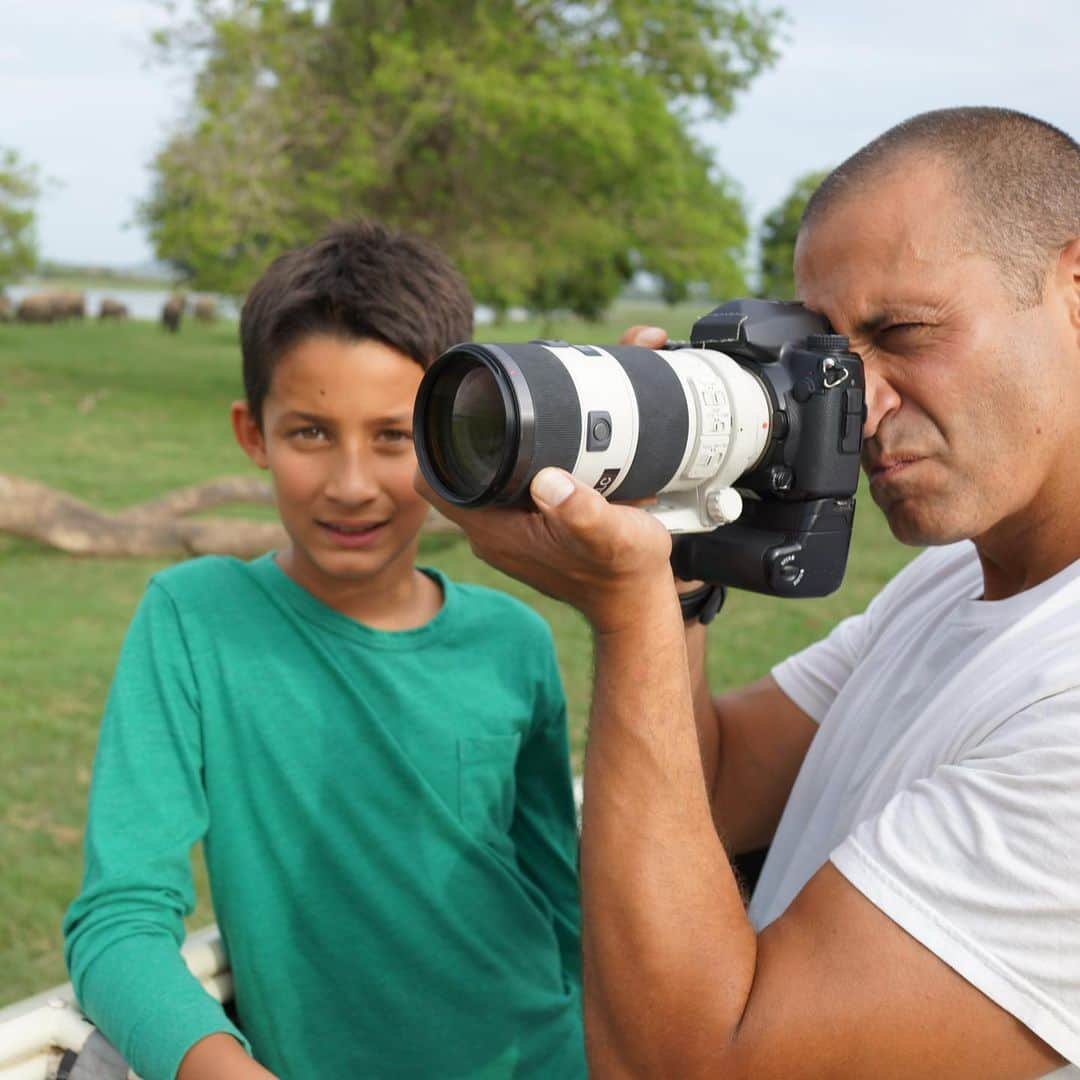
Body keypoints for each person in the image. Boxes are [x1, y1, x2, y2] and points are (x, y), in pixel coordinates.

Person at [420, 107, 1080, 1077]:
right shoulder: (953, 587)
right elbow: (718, 785)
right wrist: (677, 552)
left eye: (905, 331)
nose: (860, 405)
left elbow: (691, 1066)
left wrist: (630, 613)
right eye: (830, 358)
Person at [63, 221, 586, 1080]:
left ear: (458, 436)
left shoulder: (514, 641)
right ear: (252, 434)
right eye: (310, 432)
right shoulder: (195, 620)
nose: (350, 483)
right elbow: (118, 918)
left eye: (392, 436)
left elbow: (560, 899)